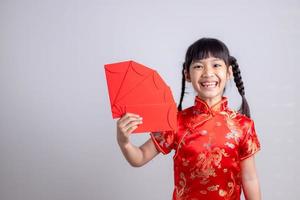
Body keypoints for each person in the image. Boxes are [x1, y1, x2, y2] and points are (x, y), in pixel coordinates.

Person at [116, 38, 261, 200]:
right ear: (187, 74)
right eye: (198, 66)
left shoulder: (242, 126)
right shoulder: (175, 122)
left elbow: (250, 178)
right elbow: (140, 157)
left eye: (216, 65)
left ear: (229, 72)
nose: (207, 73)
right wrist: (124, 142)